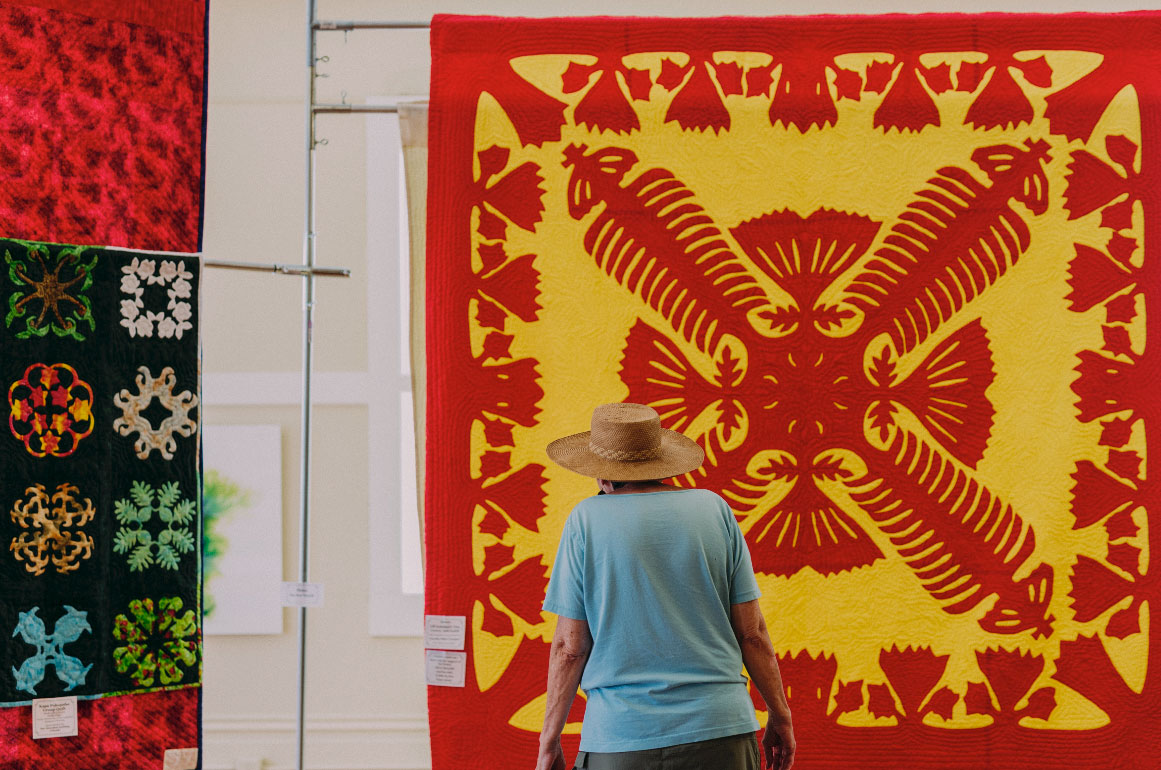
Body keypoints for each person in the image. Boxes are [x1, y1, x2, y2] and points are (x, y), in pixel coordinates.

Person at [536, 402, 795, 770]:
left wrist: (549, 741)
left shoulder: (586, 520)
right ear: (662, 464)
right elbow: (751, 633)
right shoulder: (714, 509)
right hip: (721, 731)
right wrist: (779, 714)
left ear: (602, 476)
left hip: (619, 738)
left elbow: (569, 648)